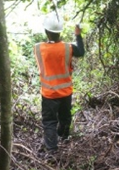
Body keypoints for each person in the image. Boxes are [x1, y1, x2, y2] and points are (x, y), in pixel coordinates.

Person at [35, 12, 85, 154]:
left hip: (49, 93)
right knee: (65, 117)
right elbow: (80, 51)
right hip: (65, 92)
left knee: (49, 121)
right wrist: (77, 34)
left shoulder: (38, 48)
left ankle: (52, 150)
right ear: (60, 32)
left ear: (46, 31)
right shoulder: (68, 48)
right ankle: (64, 138)